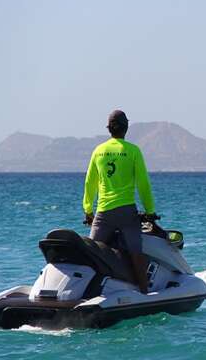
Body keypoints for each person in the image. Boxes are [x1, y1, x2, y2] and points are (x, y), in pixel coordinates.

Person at [82, 110, 154, 294]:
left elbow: (90, 183)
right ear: (126, 128)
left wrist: (88, 210)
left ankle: (85, 291)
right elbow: (143, 184)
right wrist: (150, 211)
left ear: (109, 129)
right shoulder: (132, 151)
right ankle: (144, 292)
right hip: (127, 213)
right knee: (136, 253)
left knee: (90, 254)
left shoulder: (98, 151)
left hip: (103, 213)